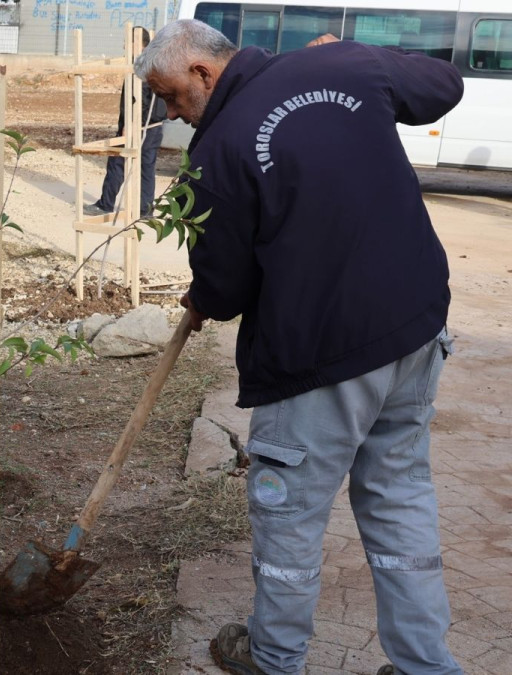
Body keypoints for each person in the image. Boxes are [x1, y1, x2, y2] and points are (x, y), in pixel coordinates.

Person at [135, 19, 463, 675]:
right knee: (398, 498)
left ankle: (274, 658)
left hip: (321, 355)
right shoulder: (342, 68)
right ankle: (426, 664)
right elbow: (443, 85)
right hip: (414, 327)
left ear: (203, 72)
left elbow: (226, 288)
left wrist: (203, 294)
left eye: (170, 95)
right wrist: (360, 53)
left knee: (288, 513)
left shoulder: (217, 153)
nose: (169, 113)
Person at [85, 27, 167, 218]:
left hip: (139, 125)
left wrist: (128, 126)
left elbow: (141, 100)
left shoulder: (141, 66)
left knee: (117, 163)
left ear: (138, 43)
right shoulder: (156, 62)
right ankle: (145, 210)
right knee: (146, 168)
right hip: (154, 126)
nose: (124, 45)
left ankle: (106, 205)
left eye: (127, 41)